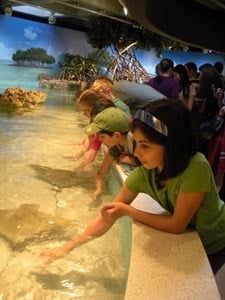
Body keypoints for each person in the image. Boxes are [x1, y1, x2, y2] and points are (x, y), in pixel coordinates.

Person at [40, 99, 225, 275]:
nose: (136, 153)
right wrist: (67, 248)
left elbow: (177, 225)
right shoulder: (145, 174)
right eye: (136, 144)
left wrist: (129, 211)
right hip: (190, 239)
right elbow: (107, 215)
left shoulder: (196, 167)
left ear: (171, 145)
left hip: (216, 241)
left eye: (145, 146)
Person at [84, 107, 138, 198]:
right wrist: (98, 189)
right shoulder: (116, 146)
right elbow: (101, 172)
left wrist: (134, 161)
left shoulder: (137, 142)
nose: (100, 140)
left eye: (102, 136)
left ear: (116, 135)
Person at [91, 76, 166, 114]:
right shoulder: (120, 84)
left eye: (100, 97)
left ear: (106, 91)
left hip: (162, 110)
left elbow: (119, 114)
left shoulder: (116, 91)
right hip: (162, 104)